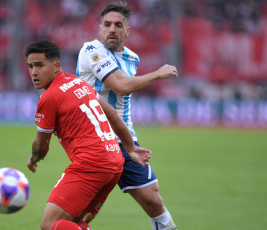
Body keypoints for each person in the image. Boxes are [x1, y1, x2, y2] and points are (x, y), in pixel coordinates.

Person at [25, 40, 152, 230]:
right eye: (30, 66)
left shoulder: (49, 97)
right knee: (75, 222)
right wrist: (129, 147)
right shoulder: (79, 83)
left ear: (56, 65)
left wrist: (34, 158)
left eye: (39, 65)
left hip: (91, 165)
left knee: (49, 225)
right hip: (114, 163)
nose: (34, 72)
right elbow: (112, 114)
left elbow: (42, 146)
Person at [76, 2, 178, 230]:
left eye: (118, 25)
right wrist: (158, 74)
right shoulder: (91, 51)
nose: (112, 29)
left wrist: (130, 139)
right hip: (95, 140)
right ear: (100, 28)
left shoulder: (132, 58)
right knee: (83, 212)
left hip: (123, 139)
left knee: (153, 199)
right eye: (107, 24)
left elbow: (123, 100)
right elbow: (121, 86)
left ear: (127, 31)